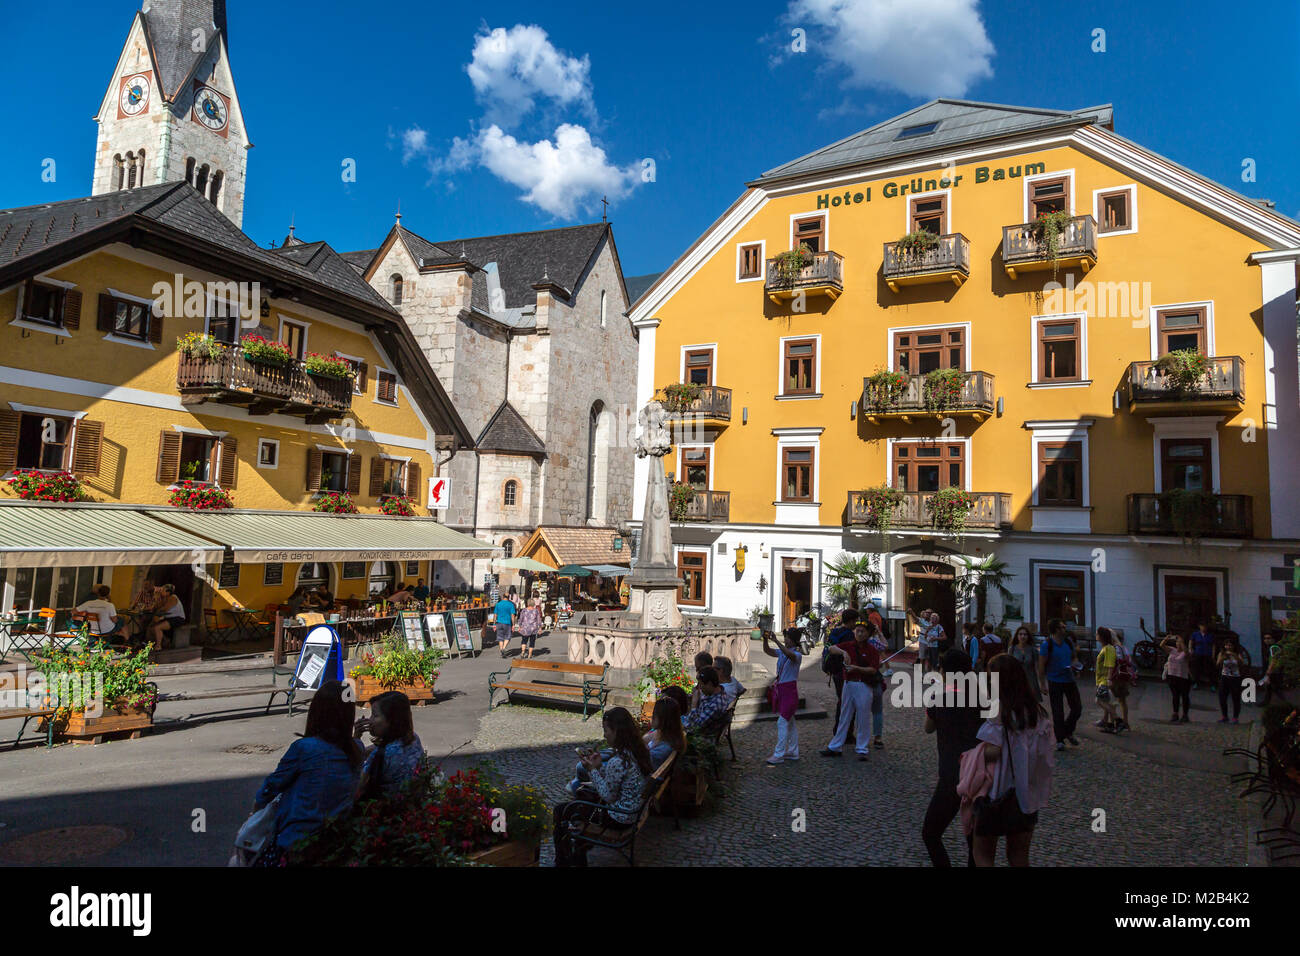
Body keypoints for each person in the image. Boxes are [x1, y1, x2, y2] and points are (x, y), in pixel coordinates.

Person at [252, 681, 363, 864]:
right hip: (338, 840)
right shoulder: (356, 751)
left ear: (317, 712)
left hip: (297, 840)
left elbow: (272, 786)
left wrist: (256, 809)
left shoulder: (305, 748)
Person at [970, 655, 1056, 867]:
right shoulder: (1037, 713)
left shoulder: (999, 711)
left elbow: (993, 751)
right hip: (1026, 795)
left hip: (996, 793)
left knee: (982, 853)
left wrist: (974, 753)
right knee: (1018, 855)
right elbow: (1046, 755)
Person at [552, 707, 651, 866]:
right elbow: (617, 780)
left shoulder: (618, 760)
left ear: (616, 731)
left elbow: (608, 795)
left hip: (619, 817)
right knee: (579, 804)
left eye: (606, 730)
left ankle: (564, 861)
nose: (604, 734)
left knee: (561, 811)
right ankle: (574, 855)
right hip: (631, 812)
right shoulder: (636, 751)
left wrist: (591, 770)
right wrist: (599, 767)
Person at [922, 648, 983, 866]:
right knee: (974, 840)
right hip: (978, 773)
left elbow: (928, 728)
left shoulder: (940, 696)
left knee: (931, 832)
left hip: (951, 774)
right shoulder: (982, 696)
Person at [820, 623, 881, 761]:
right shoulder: (848, 645)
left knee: (863, 717)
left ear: (868, 634)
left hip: (863, 685)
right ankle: (835, 746)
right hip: (848, 684)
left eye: (862, 631)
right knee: (844, 715)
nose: (859, 634)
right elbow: (831, 648)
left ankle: (862, 748)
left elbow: (873, 669)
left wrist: (855, 668)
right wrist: (843, 652)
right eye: (857, 631)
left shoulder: (871, 650)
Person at [353, 691, 424, 799]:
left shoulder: (382, 756)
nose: (370, 720)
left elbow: (357, 785)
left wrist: (356, 740)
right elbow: (374, 748)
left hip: (382, 809)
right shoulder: (413, 739)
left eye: (375, 715)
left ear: (391, 720)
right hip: (412, 807)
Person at [1037, 619, 1081, 752]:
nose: (1065, 628)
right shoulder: (1047, 645)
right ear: (1056, 630)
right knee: (1058, 711)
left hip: (1069, 679)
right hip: (1055, 680)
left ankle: (1067, 730)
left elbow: (1074, 657)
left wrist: (1075, 666)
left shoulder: (1068, 642)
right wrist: (1042, 684)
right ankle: (1060, 739)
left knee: (1077, 708)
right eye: (1062, 627)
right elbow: (1041, 665)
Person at [763, 626, 804, 766]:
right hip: (782, 690)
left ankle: (779, 754)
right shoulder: (782, 652)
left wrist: (776, 641)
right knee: (790, 722)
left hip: (789, 691)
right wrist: (765, 640)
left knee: (782, 722)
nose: (785, 638)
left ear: (793, 640)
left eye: (787, 637)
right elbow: (767, 651)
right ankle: (793, 751)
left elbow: (789, 655)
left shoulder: (797, 655)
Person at [822, 609, 858, 736]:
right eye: (855, 620)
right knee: (847, 702)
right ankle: (845, 732)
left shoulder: (835, 631)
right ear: (851, 621)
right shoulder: (849, 635)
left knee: (841, 700)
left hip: (835, 670)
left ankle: (839, 730)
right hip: (845, 672)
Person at [642, 696, 686, 769]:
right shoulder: (667, 736)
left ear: (663, 720)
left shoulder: (663, 749)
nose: (651, 717)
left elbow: (643, 761)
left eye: (654, 715)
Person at [682, 666, 730, 733]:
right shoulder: (716, 692)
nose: (700, 688)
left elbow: (695, 727)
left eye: (701, 684)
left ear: (709, 684)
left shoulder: (715, 704)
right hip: (697, 726)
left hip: (701, 737)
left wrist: (694, 704)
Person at [1093, 627, 1119, 733]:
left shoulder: (1108, 648)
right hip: (1101, 679)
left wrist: (1108, 679)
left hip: (1105, 679)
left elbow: (1110, 665)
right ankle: (1109, 723)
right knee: (1107, 701)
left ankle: (1117, 719)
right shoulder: (1106, 648)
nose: (1096, 635)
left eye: (1097, 634)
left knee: (1099, 700)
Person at [1162, 634, 1192, 723]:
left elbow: (1186, 652)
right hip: (1172, 675)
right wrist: (1166, 639)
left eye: (1179, 643)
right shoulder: (1172, 650)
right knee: (1175, 696)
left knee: (1184, 696)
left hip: (1183, 677)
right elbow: (1162, 646)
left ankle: (1185, 715)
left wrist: (1181, 642)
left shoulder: (1186, 652)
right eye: (1176, 642)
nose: (1177, 644)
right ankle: (1175, 713)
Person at [1216, 637, 1245, 724]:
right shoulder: (1222, 653)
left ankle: (1235, 717)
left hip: (1235, 677)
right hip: (1225, 676)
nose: (1228, 647)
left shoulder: (1237, 654)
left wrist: (1234, 656)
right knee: (1222, 697)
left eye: (1230, 645)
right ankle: (1224, 716)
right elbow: (1217, 664)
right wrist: (1222, 658)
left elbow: (1242, 663)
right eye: (1226, 645)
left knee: (1235, 698)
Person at [150, 583, 186, 651]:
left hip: (177, 619)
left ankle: (158, 646)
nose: (161, 591)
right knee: (152, 627)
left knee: (157, 627)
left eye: (163, 590)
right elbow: (157, 607)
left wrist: (157, 615)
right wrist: (156, 597)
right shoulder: (165, 597)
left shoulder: (173, 598)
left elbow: (165, 609)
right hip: (169, 617)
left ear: (168, 592)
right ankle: (166, 641)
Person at [1110, 631, 1134, 731]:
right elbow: (1129, 661)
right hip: (1124, 676)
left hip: (1116, 676)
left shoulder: (1114, 648)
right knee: (1122, 701)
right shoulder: (1124, 648)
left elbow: (1114, 662)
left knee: (1112, 700)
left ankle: (1113, 723)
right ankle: (1126, 722)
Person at [1009, 626, 1041, 700]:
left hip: (1030, 680)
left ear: (1028, 636)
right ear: (1017, 636)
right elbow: (1009, 666)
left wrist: (1041, 682)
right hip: (1016, 680)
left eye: (1025, 634)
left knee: (1031, 704)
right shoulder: (1012, 649)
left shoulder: (1033, 650)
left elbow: (1037, 667)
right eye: (1020, 634)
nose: (1023, 636)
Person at [1189, 620, 1215, 689]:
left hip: (1207, 653)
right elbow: (1191, 641)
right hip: (1198, 652)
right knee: (1197, 669)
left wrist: (1213, 654)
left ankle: (1212, 684)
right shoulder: (1195, 634)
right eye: (1202, 626)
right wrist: (1190, 648)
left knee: (1209, 669)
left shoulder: (1210, 635)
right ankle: (1196, 683)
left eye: (1205, 626)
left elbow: (1213, 645)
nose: (1204, 628)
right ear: (1199, 627)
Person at [492, 589, 518, 658]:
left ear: (503, 597)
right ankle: (503, 648)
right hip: (507, 623)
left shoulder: (498, 604)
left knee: (500, 637)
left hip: (499, 622)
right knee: (508, 637)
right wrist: (513, 624)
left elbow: (495, 615)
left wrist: (494, 624)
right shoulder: (511, 605)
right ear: (509, 597)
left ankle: (501, 650)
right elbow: (512, 615)